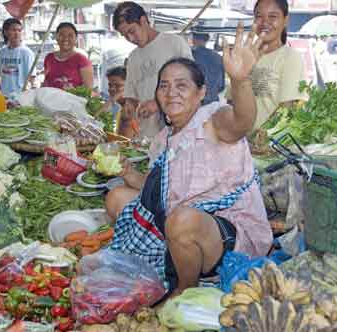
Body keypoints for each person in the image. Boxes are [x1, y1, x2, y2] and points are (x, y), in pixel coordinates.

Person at [106, 23, 273, 296]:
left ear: (201, 92)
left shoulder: (213, 120)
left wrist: (241, 81)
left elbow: (242, 121)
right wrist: (127, 173)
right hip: (178, 218)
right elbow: (159, 187)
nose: (171, 92)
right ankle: (167, 258)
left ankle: (184, 290)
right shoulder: (163, 139)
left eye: (182, 85)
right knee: (116, 197)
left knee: (181, 221)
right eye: (164, 86)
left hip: (224, 230)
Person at [113, 1, 193, 139]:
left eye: (132, 31)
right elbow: (132, 96)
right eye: (125, 35)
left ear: (143, 21)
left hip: (176, 133)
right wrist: (129, 107)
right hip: (147, 136)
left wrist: (158, 103)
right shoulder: (133, 58)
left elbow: (191, 85)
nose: (130, 39)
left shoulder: (174, 43)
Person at [233, 0, 307, 131]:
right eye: (259, 16)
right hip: (239, 142)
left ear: (285, 20)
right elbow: (232, 102)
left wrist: (260, 137)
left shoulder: (290, 58)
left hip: (268, 146)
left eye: (273, 16)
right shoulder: (245, 55)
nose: (264, 22)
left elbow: (287, 108)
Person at [42, 22, 93, 90]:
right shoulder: (49, 58)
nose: (65, 38)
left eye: (70, 35)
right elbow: (46, 82)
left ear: (76, 39)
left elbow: (88, 89)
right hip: (49, 99)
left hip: (74, 100)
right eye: (61, 35)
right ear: (56, 37)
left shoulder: (82, 60)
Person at [0, 18, 35, 100]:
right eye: (14, 30)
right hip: (5, 96)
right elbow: (2, 75)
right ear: (6, 32)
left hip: (21, 97)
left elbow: (32, 78)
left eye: (19, 30)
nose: (17, 33)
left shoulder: (26, 52)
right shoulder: (1, 53)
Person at [191, 32, 225, 105]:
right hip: (213, 102)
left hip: (196, 103)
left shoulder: (190, 56)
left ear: (194, 39)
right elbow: (222, 85)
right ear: (207, 40)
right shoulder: (218, 57)